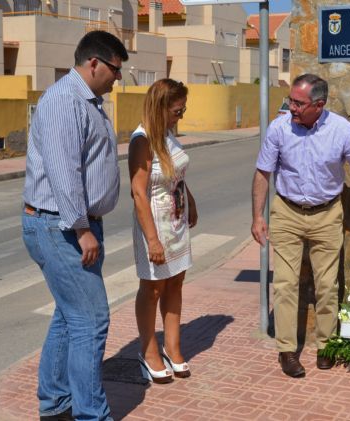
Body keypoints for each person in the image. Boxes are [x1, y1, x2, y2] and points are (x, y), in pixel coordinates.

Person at [251, 74, 350, 378]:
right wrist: (257, 216)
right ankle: (286, 351)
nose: (291, 107)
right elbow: (263, 173)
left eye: (298, 102)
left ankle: (326, 346)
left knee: (327, 286)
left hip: (327, 214)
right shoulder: (279, 127)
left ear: (319, 105)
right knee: (284, 284)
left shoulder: (342, 131)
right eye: (291, 100)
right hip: (287, 212)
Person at [21, 31, 128, 420]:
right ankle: (90, 415)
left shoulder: (87, 101)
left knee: (70, 317)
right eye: (116, 69)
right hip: (60, 227)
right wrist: (82, 228)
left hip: (66, 225)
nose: (119, 78)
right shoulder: (65, 101)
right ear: (94, 63)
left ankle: (54, 404)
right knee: (91, 320)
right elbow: (64, 173)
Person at [128, 79, 197, 384]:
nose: (180, 116)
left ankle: (173, 347)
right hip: (155, 223)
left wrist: (190, 199)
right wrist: (152, 239)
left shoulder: (168, 135)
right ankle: (148, 351)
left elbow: (175, 173)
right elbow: (139, 193)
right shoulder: (141, 141)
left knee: (176, 283)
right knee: (153, 287)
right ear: (160, 108)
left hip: (177, 219)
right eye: (177, 111)